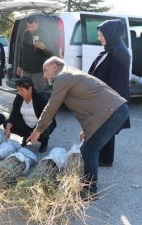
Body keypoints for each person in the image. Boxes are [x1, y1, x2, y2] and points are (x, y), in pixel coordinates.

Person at [28, 56, 129, 197]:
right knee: (87, 148)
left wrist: (38, 130)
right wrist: (87, 129)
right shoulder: (70, 74)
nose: (44, 75)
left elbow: (52, 106)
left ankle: (89, 190)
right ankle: (88, 184)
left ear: (55, 67)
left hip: (112, 112)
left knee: (89, 150)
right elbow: (87, 103)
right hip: (113, 111)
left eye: (45, 71)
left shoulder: (63, 77)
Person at [88, 19, 131, 167]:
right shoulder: (111, 48)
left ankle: (106, 159)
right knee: (105, 127)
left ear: (111, 33)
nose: (99, 38)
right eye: (99, 34)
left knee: (107, 128)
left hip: (112, 98)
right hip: (105, 96)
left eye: (101, 35)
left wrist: (104, 100)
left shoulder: (120, 51)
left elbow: (117, 81)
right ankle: (103, 156)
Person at [3, 77, 56, 153]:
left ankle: (44, 142)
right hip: (26, 124)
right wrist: (8, 128)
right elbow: (14, 114)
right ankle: (27, 135)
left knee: (45, 130)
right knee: (6, 123)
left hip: (40, 125)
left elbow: (50, 118)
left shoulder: (41, 98)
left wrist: (36, 131)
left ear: (30, 89)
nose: (19, 93)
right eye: (18, 90)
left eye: (22, 90)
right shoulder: (19, 98)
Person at [16, 16, 53, 90]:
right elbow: (22, 50)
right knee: (25, 92)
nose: (30, 29)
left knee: (39, 94)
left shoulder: (44, 33)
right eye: (28, 26)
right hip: (26, 70)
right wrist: (19, 66)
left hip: (38, 72)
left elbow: (51, 53)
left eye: (32, 26)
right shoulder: (26, 33)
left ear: (37, 24)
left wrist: (44, 47)